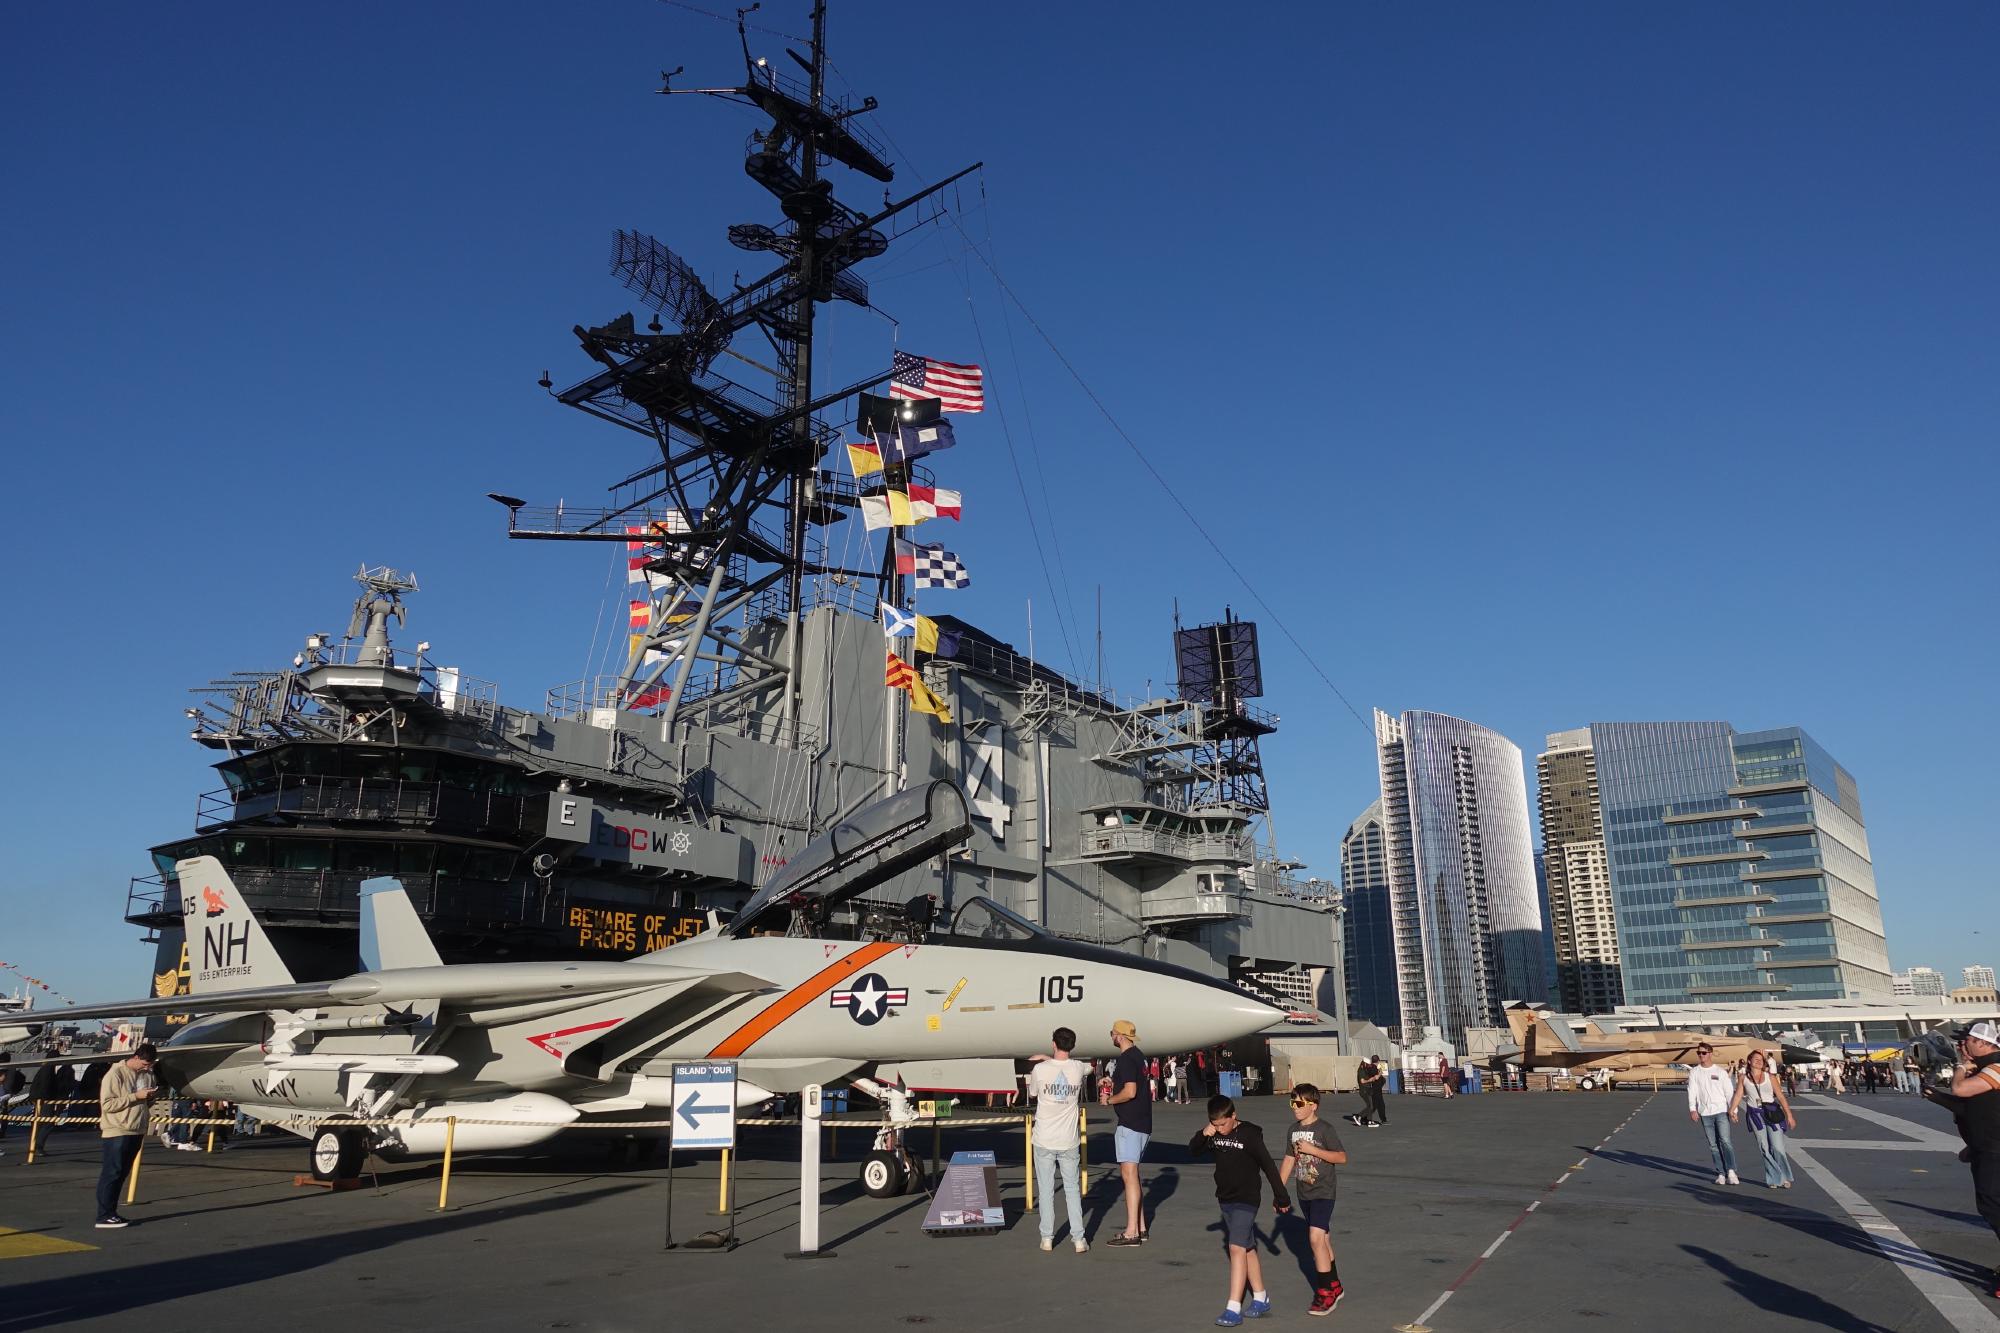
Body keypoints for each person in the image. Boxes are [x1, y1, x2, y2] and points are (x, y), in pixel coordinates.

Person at [1192, 1095, 1292, 1326]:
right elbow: (1193, 1150)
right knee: (1247, 1248)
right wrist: (1203, 1134)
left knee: (1236, 1248)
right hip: (1225, 1199)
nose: (1220, 1129)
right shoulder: (1213, 1133)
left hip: (1247, 1199)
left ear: (1233, 1116)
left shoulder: (1250, 1135)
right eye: (1215, 1124)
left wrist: (1281, 1196)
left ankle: (1233, 1308)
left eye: (1223, 1124)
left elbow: (1268, 1166)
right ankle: (1261, 1297)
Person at [1925, 1020, 2000, 1300]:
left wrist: (1959, 1068)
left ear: (1982, 1042)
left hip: (1995, 1149)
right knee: (1990, 1204)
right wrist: (1936, 1097)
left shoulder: (1996, 1066)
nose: (1962, 1045)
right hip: (1986, 1147)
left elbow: (1961, 1091)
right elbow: (1973, 1109)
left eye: (1966, 1040)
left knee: (1992, 1204)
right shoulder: (1984, 1068)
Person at [1278, 1084, 1349, 1316]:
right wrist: (1279, 1190)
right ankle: (1335, 1285)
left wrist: (1313, 1150)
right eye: (1292, 1103)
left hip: (1323, 1192)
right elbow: (1289, 1159)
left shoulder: (1325, 1129)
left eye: (1299, 1103)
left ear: (1313, 1106)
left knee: (1315, 1238)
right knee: (1324, 1240)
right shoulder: (1292, 1130)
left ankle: (1325, 1293)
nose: (1294, 1107)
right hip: (1304, 1193)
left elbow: (1341, 1157)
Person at [1025, 1027, 1091, 1253]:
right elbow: (1089, 1068)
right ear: (1072, 1045)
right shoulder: (1078, 1068)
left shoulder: (1040, 1069)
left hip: (1044, 1137)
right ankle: (1079, 1238)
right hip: (1069, 1139)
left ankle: (1047, 1237)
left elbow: (1033, 1093)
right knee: (1072, 1190)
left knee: (1046, 1191)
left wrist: (1046, 1059)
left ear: (1054, 1043)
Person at [95, 1044, 161, 1229]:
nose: (147, 1067)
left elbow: (145, 1102)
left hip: (137, 1128)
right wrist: (136, 1096)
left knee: (122, 1173)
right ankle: (104, 1215)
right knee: (112, 1173)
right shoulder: (115, 1074)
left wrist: (150, 1097)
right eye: (145, 1063)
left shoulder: (148, 1074)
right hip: (117, 1129)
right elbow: (107, 1104)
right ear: (136, 1057)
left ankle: (111, 1212)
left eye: (150, 1064)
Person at [1103, 1018, 1153, 1246]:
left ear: (1120, 1036)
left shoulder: (1125, 1059)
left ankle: (1131, 1232)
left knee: (1128, 1175)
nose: (1112, 1036)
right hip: (1143, 1121)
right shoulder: (1139, 1056)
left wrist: (1110, 1100)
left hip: (1130, 1123)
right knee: (1134, 1175)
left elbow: (1130, 1091)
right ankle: (1140, 1227)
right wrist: (1112, 1082)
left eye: (1112, 1033)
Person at [1730, 1050, 1797, 1188]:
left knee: (1777, 1147)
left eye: (1761, 1059)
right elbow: (1738, 1095)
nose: (1759, 1061)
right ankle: (1774, 1178)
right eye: (1756, 1059)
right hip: (1755, 1114)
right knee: (1764, 1147)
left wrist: (1789, 1115)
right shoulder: (1743, 1078)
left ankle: (1784, 1176)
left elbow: (1780, 1096)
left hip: (1772, 1113)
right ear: (1749, 1061)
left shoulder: (1770, 1077)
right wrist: (1732, 1110)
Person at [1688, 1043, 1739, 1185]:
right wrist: (1692, 1109)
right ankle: (1721, 1173)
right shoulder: (1694, 1072)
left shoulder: (1720, 1072)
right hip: (1705, 1112)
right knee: (1713, 1144)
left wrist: (1733, 1110)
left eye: (1703, 1053)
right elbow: (1692, 1091)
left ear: (1710, 1053)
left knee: (1725, 1141)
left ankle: (1731, 1171)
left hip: (1721, 1110)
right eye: (1699, 1053)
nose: (1701, 1055)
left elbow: (1729, 1092)